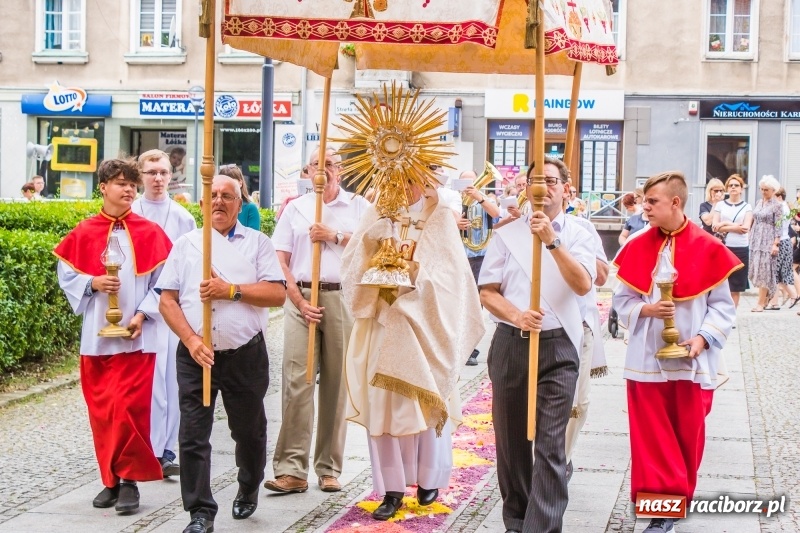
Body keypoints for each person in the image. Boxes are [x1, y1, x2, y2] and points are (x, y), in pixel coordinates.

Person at [341, 179, 485, 521]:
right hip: (383, 321)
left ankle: (428, 478)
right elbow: (352, 263)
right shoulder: (378, 210)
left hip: (424, 324)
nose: (402, 185)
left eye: (410, 176)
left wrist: (414, 279)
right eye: (395, 175)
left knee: (423, 401)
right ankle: (391, 489)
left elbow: (453, 276)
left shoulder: (440, 215)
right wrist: (373, 245)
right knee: (384, 406)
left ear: (423, 175)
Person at [157, 175, 286, 533]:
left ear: (239, 204)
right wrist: (191, 340)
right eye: (212, 196)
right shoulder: (186, 245)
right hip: (196, 354)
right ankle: (200, 512)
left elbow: (277, 295)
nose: (218, 202)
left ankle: (248, 484)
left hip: (245, 354)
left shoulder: (258, 244)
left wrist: (230, 290)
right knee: (193, 434)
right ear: (201, 203)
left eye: (227, 196)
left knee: (249, 431)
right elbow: (167, 300)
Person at [613, 170, 740, 533]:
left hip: (693, 362)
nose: (645, 207)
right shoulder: (637, 243)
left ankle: (677, 498)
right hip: (646, 359)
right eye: (644, 201)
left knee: (688, 435)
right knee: (651, 437)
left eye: (652, 202)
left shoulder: (709, 247)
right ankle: (661, 511)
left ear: (675, 202)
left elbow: (723, 307)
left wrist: (701, 340)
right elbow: (622, 300)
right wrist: (646, 310)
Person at [479, 156, 596, 533]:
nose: (542, 188)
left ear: (564, 187)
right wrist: (515, 315)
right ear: (526, 188)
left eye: (550, 180)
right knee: (511, 444)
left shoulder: (580, 232)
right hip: (512, 343)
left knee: (550, 444)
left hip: (559, 347)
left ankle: (541, 527)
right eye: (535, 181)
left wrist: (552, 241)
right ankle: (517, 520)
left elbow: (582, 284)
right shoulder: (506, 234)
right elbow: (487, 291)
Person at [54, 158, 172, 514]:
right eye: (121, 182)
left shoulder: (150, 232)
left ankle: (130, 483)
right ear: (103, 187)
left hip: (137, 338)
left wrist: (141, 314)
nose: (129, 189)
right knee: (103, 411)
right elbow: (67, 277)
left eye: (132, 184)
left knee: (129, 410)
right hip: (97, 338)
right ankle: (111, 479)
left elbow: (165, 284)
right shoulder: (84, 231)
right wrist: (92, 282)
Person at [264, 148, 370, 495]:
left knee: (337, 386)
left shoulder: (358, 206)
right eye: (316, 165)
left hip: (342, 297)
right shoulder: (295, 208)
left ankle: (328, 467)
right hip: (301, 298)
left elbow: (374, 249)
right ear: (307, 172)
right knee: (298, 381)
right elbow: (279, 259)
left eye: (330, 164)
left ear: (340, 170)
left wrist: (335, 236)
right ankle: (292, 469)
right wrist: (296, 298)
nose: (323, 171)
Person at [133, 149, 198, 478]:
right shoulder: (131, 213)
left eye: (163, 172)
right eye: (151, 172)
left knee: (172, 381)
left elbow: (184, 269)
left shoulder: (182, 218)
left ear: (171, 176)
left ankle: (168, 448)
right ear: (140, 175)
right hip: (136, 310)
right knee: (148, 383)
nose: (157, 179)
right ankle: (146, 446)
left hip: (169, 310)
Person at [457, 169, 500, 366]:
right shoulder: (453, 201)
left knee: (474, 306)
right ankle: (461, 346)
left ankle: (470, 348)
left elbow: (497, 214)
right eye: (464, 182)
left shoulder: (482, 200)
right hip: (459, 257)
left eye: (471, 182)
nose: (467, 187)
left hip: (480, 257)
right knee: (459, 305)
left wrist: (479, 198)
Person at [711, 174, 752, 309]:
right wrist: (734, 226)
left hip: (741, 247)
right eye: (730, 185)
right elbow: (714, 225)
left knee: (736, 285)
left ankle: (732, 315)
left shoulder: (747, 207)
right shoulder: (720, 205)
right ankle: (722, 312)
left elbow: (745, 228)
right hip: (724, 247)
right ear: (727, 188)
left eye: (736, 185)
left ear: (741, 189)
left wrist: (725, 225)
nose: (733, 187)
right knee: (722, 282)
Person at [749, 175, 784, 312]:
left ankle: (760, 303)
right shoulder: (759, 202)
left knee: (764, 272)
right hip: (756, 239)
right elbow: (754, 219)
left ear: (773, 190)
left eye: (766, 190)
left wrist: (776, 243)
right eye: (761, 189)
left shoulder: (777, 205)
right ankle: (765, 300)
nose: (763, 192)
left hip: (768, 240)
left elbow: (779, 226)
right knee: (756, 270)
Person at [767, 187, 798, 309]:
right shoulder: (786, 207)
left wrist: (775, 243)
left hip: (780, 242)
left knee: (776, 272)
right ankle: (779, 300)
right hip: (785, 241)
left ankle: (790, 296)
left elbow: (777, 227)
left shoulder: (780, 208)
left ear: (779, 197)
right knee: (781, 273)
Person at [219, 164, 261, 231]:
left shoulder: (250, 208)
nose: (227, 186)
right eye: (223, 182)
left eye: (231, 181)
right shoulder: (217, 207)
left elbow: (253, 237)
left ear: (240, 183)